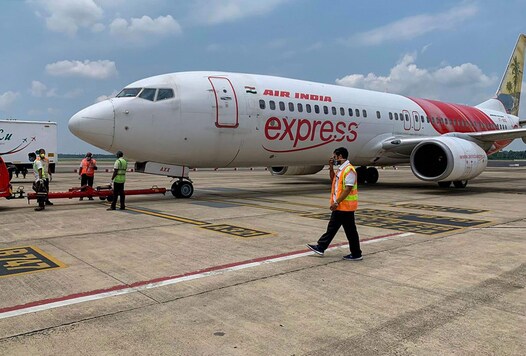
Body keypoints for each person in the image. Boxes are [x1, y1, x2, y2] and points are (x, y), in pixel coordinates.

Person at [307, 147, 363, 261]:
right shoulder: (342, 169)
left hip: (344, 207)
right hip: (341, 206)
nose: (333, 158)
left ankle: (322, 247)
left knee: (339, 229)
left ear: (340, 156)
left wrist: (337, 202)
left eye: (335, 157)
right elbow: (333, 180)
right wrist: (331, 167)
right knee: (343, 229)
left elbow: (348, 189)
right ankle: (355, 253)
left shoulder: (349, 170)